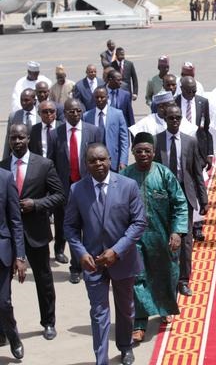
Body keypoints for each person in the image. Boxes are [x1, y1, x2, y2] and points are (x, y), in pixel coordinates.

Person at [64, 143, 146, 365]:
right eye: (93, 161)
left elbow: (139, 223)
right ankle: (101, 360)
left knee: (125, 309)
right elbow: (70, 227)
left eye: (102, 159)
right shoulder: (77, 190)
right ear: (86, 164)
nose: (98, 164)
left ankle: (125, 346)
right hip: (93, 263)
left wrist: (116, 251)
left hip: (123, 259)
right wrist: (80, 253)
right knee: (99, 312)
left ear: (110, 160)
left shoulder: (128, 186)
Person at [121, 133, 188, 342]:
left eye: (147, 151)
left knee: (166, 274)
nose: (143, 154)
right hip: (134, 238)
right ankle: (139, 323)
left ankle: (164, 307)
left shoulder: (164, 174)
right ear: (133, 152)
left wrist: (177, 231)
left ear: (153, 152)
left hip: (162, 235)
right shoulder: (125, 177)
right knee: (137, 279)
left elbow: (180, 203)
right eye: (139, 151)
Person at [1, 124, 64, 341]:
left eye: (21, 137)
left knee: (43, 280)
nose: (17, 141)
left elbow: (59, 195)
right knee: (3, 284)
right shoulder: (2, 167)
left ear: (28, 138)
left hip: (35, 232)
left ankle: (48, 322)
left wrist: (36, 204)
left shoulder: (44, 164)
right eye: (13, 138)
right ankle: (4, 330)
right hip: (8, 236)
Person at [154, 105, 207, 295]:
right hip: (162, 198)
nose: (175, 121)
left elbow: (196, 172)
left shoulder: (190, 142)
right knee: (164, 238)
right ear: (165, 119)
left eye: (177, 118)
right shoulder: (156, 141)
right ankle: (167, 278)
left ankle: (184, 280)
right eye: (171, 118)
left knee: (185, 240)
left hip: (185, 197)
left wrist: (204, 199)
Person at [50, 98, 102, 283]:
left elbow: (100, 158)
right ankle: (75, 266)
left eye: (78, 111)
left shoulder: (93, 131)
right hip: (66, 189)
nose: (75, 114)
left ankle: (93, 261)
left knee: (90, 225)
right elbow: (51, 164)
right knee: (71, 228)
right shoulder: (55, 134)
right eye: (70, 111)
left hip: (88, 185)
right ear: (64, 113)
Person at [0, 165, 26, 360]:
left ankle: (13, 336)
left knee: (3, 302)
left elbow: (15, 221)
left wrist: (20, 257)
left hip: (2, 251)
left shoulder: (6, 178)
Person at [83, 87, 129, 172]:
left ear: (107, 97)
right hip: (94, 162)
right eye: (97, 97)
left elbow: (124, 140)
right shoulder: (87, 116)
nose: (99, 100)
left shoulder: (117, 114)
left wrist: (123, 161)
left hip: (114, 161)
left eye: (102, 97)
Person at [175, 76, 213, 170]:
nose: (192, 94)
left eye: (194, 91)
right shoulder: (174, 102)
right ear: (182, 88)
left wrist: (209, 153)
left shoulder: (203, 102)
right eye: (189, 91)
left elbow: (207, 128)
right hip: (180, 147)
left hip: (199, 149)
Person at [3, 88, 39, 159]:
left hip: (37, 155)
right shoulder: (14, 116)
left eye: (26, 100)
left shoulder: (40, 115)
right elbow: (8, 139)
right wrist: (5, 159)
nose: (23, 103)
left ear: (34, 101)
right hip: (19, 155)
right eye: (21, 100)